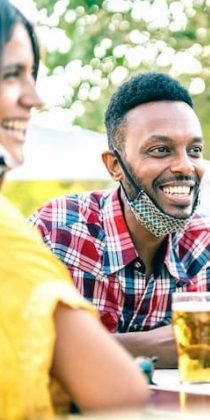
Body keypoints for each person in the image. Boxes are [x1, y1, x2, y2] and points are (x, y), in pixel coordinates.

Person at [30, 72, 210, 367]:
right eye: (161, 150)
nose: (185, 165)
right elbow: (16, 341)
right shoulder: (57, 229)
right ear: (114, 166)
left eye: (195, 150)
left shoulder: (209, 241)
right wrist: (143, 348)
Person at [0, 1, 148, 417]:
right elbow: (119, 392)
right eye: (12, 75)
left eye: (32, 75)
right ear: (114, 166)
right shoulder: (19, 234)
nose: (35, 98)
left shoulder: (207, 237)